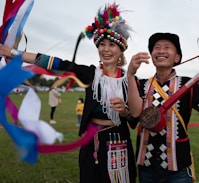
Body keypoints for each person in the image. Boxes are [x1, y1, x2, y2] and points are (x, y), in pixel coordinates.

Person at [0, 3, 137, 183]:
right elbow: (55, 63)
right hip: (91, 141)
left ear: (121, 50)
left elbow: (135, 120)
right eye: (102, 44)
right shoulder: (89, 73)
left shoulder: (130, 80)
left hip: (119, 140)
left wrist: (125, 111)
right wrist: (12, 52)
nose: (105, 49)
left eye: (112, 45)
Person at [127, 32, 199, 183]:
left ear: (177, 57)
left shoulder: (189, 84)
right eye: (157, 48)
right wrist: (130, 75)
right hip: (147, 167)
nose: (161, 51)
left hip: (178, 168)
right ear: (152, 55)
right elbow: (135, 113)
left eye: (167, 47)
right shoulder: (141, 85)